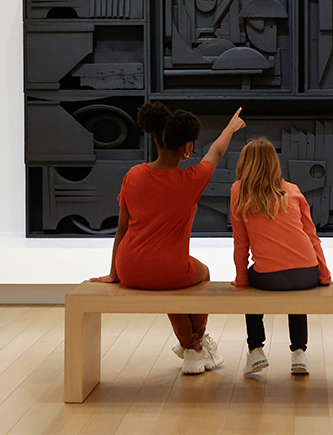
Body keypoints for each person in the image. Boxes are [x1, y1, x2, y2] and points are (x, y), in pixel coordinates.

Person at [92, 103, 245, 375]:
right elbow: (217, 151)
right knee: (200, 274)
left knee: (172, 279)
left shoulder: (133, 176)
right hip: (170, 270)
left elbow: (122, 229)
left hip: (128, 268)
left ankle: (193, 348)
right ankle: (193, 346)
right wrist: (230, 127)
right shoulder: (191, 179)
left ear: (156, 138)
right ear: (187, 148)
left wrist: (113, 273)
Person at [230, 137, 332, 376]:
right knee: (295, 290)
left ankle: (255, 350)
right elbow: (312, 236)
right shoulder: (293, 190)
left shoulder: (239, 189)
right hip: (307, 272)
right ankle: (299, 354)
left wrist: (241, 280)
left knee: (252, 285)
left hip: (269, 277)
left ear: (245, 163)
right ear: (275, 164)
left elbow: (241, 241)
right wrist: (324, 275)